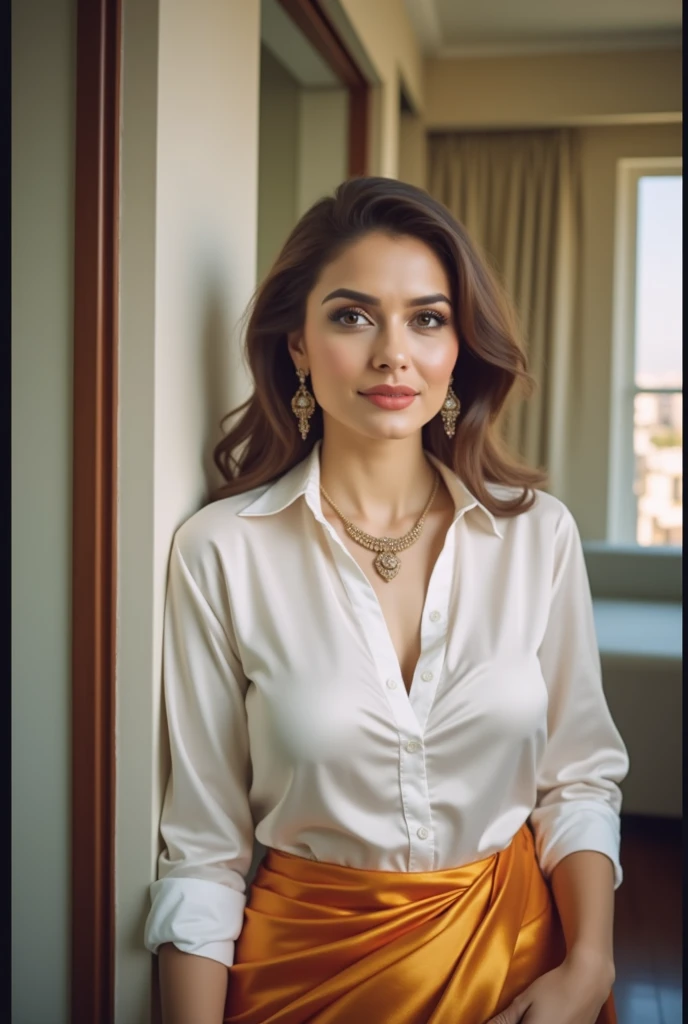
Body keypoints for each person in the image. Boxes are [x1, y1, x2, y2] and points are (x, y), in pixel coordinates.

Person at [143, 176, 629, 1024]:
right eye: (352, 315)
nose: (393, 354)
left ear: (457, 347)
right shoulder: (219, 552)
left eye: (427, 318)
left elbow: (579, 782)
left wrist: (588, 967)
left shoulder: (537, 537)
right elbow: (202, 851)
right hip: (304, 979)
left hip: (519, 967)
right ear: (297, 344)